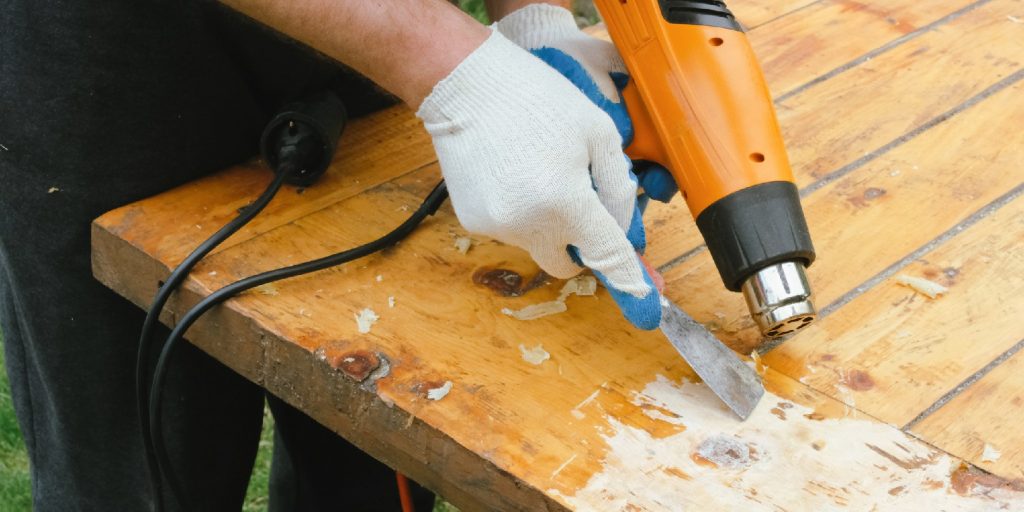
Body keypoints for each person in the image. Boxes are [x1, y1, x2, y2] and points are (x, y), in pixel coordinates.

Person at [0, 0, 675, 510]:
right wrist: (450, 67)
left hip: (378, 28)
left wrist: (532, 20)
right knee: (141, 468)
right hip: (106, 52)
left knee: (370, 443)